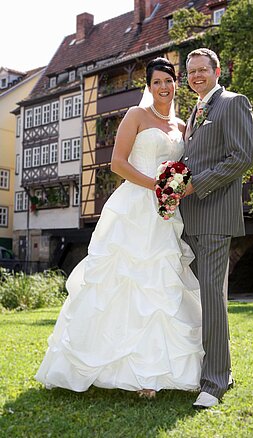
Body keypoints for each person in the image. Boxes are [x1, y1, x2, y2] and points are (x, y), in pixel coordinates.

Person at [35, 57, 204, 398]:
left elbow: (184, 168)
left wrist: (175, 190)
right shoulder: (135, 116)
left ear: (176, 84)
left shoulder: (183, 125)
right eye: (156, 82)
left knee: (159, 287)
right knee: (123, 283)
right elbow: (117, 163)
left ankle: (152, 373)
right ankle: (109, 365)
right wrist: (154, 186)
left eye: (168, 81)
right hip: (134, 207)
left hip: (164, 213)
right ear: (148, 86)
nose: (163, 88)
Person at [180, 48, 253, 409]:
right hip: (189, 217)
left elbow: (242, 156)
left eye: (201, 70)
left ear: (216, 70)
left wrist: (197, 184)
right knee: (197, 298)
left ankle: (215, 381)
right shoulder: (194, 112)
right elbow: (193, 159)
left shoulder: (233, 103)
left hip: (215, 216)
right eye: (191, 71)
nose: (196, 76)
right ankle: (205, 369)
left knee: (211, 296)